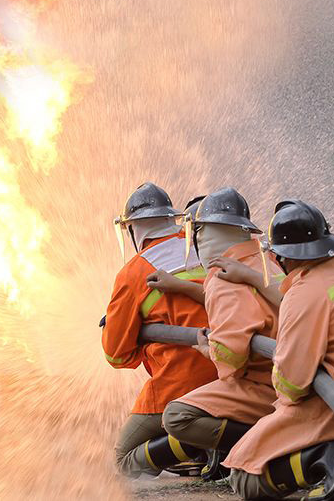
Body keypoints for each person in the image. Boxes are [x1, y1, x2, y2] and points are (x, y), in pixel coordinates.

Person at [223, 200, 334, 500]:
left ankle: (333, 457)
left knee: (245, 476)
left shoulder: (305, 292)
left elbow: (292, 384)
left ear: (283, 257)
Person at [161, 188, 283, 477]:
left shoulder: (222, 277)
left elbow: (232, 359)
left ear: (201, 233)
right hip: (289, 377)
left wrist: (208, 349)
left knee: (176, 418)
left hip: (267, 385)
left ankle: (260, 445)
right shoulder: (264, 260)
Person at [102, 183, 217, 477]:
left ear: (131, 229)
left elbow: (116, 356)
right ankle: (202, 446)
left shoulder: (133, 272)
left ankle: (195, 447)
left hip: (179, 384)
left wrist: (138, 336)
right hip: (231, 374)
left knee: (124, 457)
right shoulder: (204, 246)